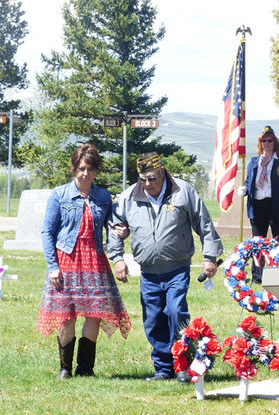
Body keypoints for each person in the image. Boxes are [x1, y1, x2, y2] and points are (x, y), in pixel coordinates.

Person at [108, 152, 223, 381]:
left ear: (162, 172)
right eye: (143, 179)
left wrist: (210, 256)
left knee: (175, 311)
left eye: (152, 178)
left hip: (177, 269)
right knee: (153, 319)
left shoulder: (182, 191)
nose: (147, 184)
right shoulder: (130, 196)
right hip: (149, 272)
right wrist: (117, 258)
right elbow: (114, 224)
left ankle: (181, 363)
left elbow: (204, 223)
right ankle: (163, 368)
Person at [39, 143, 131, 379]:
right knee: (66, 315)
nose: (85, 173)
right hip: (66, 259)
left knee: (95, 314)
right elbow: (47, 232)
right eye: (81, 168)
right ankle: (65, 368)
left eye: (90, 169)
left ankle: (85, 369)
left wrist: (122, 231)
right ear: (74, 169)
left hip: (95, 260)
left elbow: (113, 226)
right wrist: (53, 267)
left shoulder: (103, 197)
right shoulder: (59, 195)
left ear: (96, 170)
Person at [238, 125, 279, 283]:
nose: (267, 143)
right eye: (264, 140)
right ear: (260, 143)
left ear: (275, 143)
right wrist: (245, 189)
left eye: (270, 140)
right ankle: (257, 276)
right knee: (257, 242)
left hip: (276, 206)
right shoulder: (254, 162)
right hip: (258, 206)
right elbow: (249, 181)